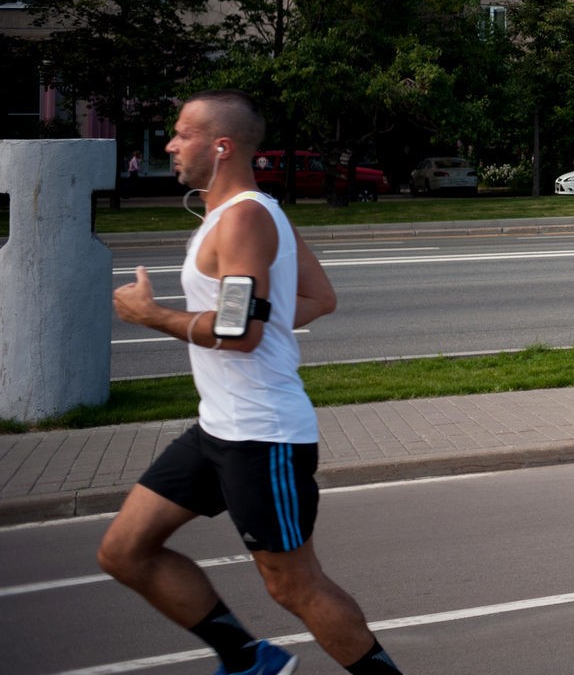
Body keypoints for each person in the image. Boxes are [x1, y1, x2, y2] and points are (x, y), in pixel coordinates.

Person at [100, 90, 401, 675]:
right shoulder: (254, 212)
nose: (169, 144)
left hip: (262, 433)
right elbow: (317, 297)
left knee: (294, 586)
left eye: (182, 133)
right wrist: (259, 311)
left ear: (221, 146)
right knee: (124, 550)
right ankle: (247, 660)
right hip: (219, 426)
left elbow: (239, 334)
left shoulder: (243, 218)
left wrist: (153, 316)